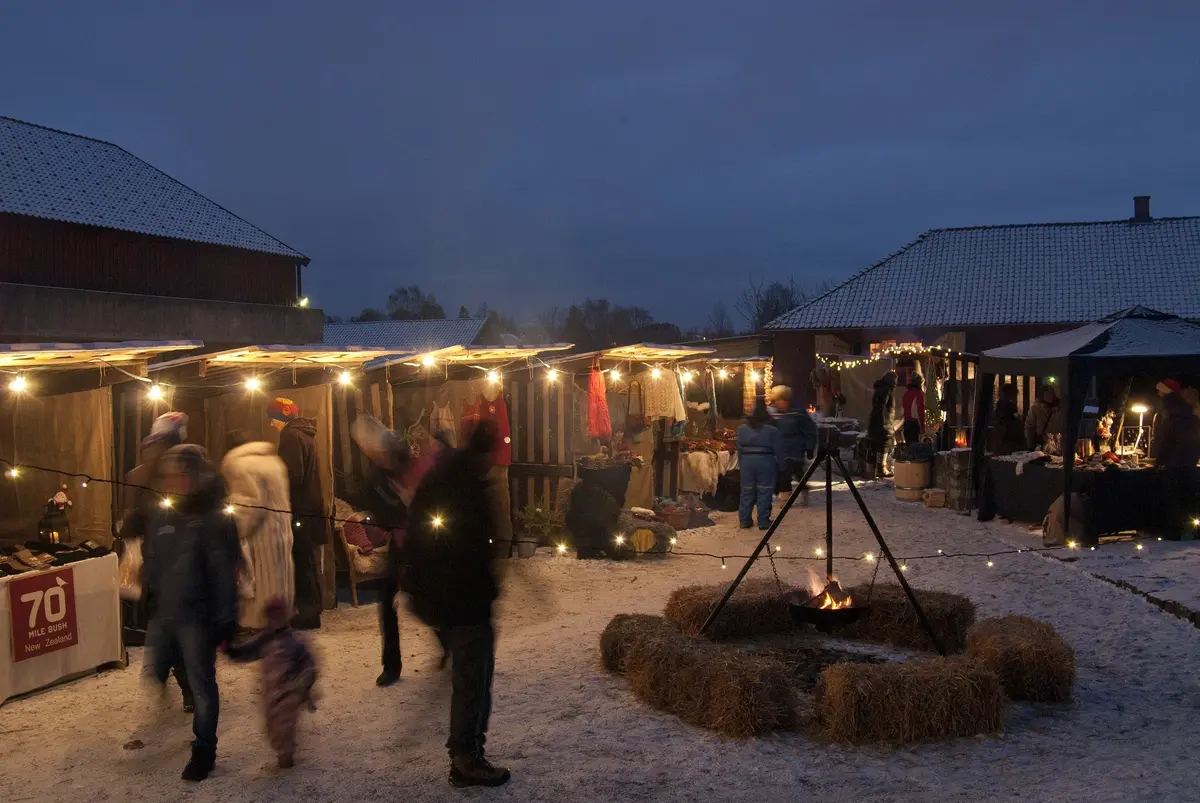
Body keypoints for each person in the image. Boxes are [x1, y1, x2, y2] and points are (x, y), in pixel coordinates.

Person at [402, 421, 510, 788]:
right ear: (487, 452)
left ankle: (467, 753)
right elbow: (463, 549)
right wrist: (480, 586)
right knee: (472, 682)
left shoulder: (449, 477)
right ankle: (467, 759)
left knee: (473, 680)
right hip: (461, 600)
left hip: (451, 597)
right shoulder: (463, 486)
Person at [142, 445, 239, 782]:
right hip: (166, 610)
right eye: (170, 474)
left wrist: (226, 618)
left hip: (198, 614)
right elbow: (152, 557)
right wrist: (150, 596)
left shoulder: (213, 517)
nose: (174, 480)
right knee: (154, 669)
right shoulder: (164, 514)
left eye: (180, 473)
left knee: (201, 682)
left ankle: (203, 750)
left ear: (195, 475)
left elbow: (225, 570)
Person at [348, 414, 447, 687]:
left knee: (424, 599)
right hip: (400, 544)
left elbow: (430, 496)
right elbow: (380, 512)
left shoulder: (411, 462)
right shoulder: (375, 479)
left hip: (424, 543)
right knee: (387, 600)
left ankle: (448, 643)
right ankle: (391, 665)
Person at [119, 412, 193, 712]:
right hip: (170, 565)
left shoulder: (153, 473)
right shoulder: (171, 471)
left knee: (169, 626)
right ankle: (177, 678)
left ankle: (172, 676)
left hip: (169, 565)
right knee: (174, 627)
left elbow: (131, 524)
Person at [226, 597, 318, 770]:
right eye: (272, 616)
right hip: (271, 691)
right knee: (271, 725)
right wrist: (231, 651)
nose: (275, 620)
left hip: (290, 690)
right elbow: (248, 651)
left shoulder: (295, 641)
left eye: (279, 616)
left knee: (284, 723)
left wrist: (305, 681)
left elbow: (309, 664)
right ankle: (280, 744)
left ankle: (286, 751)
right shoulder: (264, 639)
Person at [220, 431, 295, 631]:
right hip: (282, 531)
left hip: (260, 535)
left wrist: (235, 531)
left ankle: (261, 630)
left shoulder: (238, 465)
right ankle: (280, 624)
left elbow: (249, 502)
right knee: (280, 581)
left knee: (260, 585)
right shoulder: (273, 462)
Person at [271, 398, 329, 630]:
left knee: (301, 562)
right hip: (311, 508)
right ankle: (313, 610)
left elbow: (294, 474)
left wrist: (275, 481)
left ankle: (307, 616)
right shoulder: (306, 434)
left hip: (300, 510)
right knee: (308, 562)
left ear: (281, 416)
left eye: (272, 418)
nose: (271, 424)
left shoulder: (290, 436)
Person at [736, 400, 785, 530]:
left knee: (747, 491)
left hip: (747, 461)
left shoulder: (741, 429)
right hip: (765, 460)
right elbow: (779, 450)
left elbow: (739, 448)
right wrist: (781, 466)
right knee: (764, 491)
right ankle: (763, 521)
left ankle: (745, 520)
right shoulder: (772, 431)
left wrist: (742, 463)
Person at [767, 386, 817, 507]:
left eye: (782, 400)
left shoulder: (798, 412)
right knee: (783, 473)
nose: (780, 403)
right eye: (777, 400)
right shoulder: (772, 413)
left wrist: (810, 447)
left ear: (788, 400)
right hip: (780, 449)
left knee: (798, 473)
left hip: (796, 448)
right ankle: (785, 498)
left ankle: (804, 489)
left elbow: (810, 430)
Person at [867, 372, 898, 478]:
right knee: (884, 444)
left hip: (877, 421)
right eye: (895, 379)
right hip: (882, 422)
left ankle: (875, 468)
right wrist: (884, 423)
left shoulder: (879, 389)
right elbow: (881, 407)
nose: (896, 382)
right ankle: (881, 468)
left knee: (879, 445)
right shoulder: (886, 390)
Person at [989, 384, 1026, 455]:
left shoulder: (999, 404)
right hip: (1009, 434)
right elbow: (1013, 419)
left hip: (1001, 433)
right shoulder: (1010, 406)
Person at [1025, 385, 1062, 452]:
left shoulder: (1035, 408)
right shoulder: (1060, 408)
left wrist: (1030, 446)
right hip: (1055, 443)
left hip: (1046, 444)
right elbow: (1030, 428)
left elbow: (1029, 428)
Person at [901, 374, 926, 444]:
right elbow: (920, 411)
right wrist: (923, 428)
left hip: (906, 424)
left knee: (909, 447)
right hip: (915, 425)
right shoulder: (919, 394)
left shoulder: (906, 394)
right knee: (916, 448)